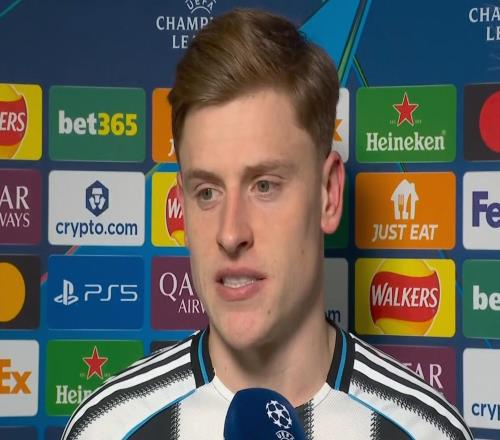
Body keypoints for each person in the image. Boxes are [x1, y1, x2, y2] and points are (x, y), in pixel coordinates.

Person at [63, 8, 473, 440]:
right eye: (208, 192)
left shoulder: (427, 432)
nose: (231, 233)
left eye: (264, 186)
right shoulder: (106, 428)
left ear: (329, 195)